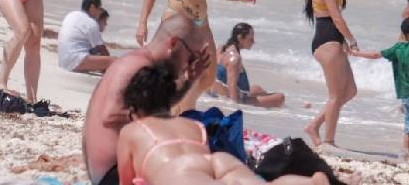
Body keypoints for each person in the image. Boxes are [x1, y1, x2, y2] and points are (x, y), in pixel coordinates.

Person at [117, 61, 327, 185]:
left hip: (180, 171)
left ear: (135, 107)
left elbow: (124, 182)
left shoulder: (132, 130)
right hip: (219, 160)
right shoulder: (191, 125)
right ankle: (311, 182)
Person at [83, 14, 211, 185]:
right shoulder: (136, 65)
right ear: (173, 44)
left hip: (115, 168)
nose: (189, 64)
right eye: (191, 57)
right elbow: (110, 114)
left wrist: (189, 80)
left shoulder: (145, 66)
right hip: (112, 172)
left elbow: (156, 105)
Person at [350, 17, 409, 165]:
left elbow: (376, 55)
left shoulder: (397, 48)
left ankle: (405, 153)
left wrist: (355, 53)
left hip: (405, 92)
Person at [303, 0, 358, 150]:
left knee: (350, 90)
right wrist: (351, 39)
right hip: (327, 40)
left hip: (333, 40)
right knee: (335, 96)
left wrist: (343, 41)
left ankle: (314, 126)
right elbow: (335, 16)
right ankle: (329, 142)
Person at [212, 22, 285, 108]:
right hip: (239, 98)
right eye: (251, 39)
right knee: (280, 97)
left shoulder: (221, 49)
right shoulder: (234, 58)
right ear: (240, 38)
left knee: (257, 89)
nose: (254, 42)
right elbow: (232, 90)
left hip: (218, 93)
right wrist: (237, 106)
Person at [58, 0, 116, 74]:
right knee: (113, 61)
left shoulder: (71, 14)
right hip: (75, 61)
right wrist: (106, 63)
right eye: (99, 8)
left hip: (62, 61)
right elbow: (103, 51)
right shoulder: (90, 22)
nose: (99, 11)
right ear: (92, 7)